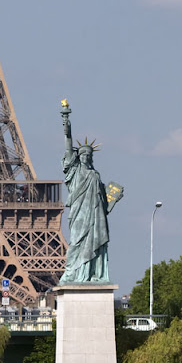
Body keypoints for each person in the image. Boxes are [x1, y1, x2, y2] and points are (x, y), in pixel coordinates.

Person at [60, 101, 123, 283]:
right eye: (82, 155)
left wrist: (114, 200)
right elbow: (68, 145)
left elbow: (103, 207)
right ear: (78, 157)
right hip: (79, 215)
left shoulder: (95, 175)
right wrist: (66, 122)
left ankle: (93, 274)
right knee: (76, 244)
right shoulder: (75, 171)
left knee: (94, 244)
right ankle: (73, 273)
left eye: (89, 155)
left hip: (94, 217)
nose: (86, 157)